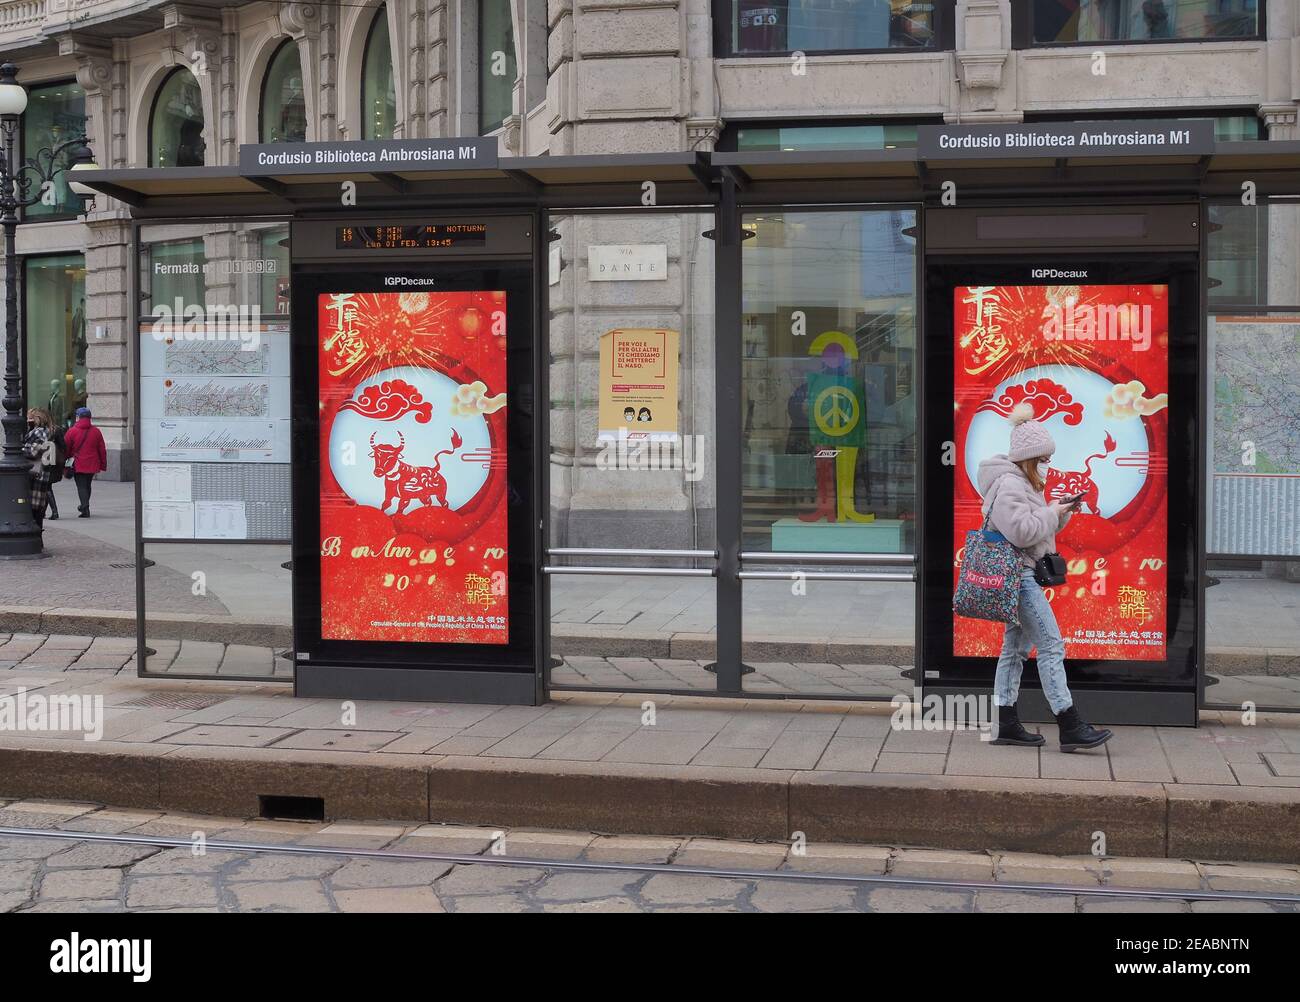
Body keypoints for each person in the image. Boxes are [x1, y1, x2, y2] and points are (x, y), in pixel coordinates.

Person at [979, 402, 1113, 753]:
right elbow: (1023, 533)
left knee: (1015, 650)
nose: (1047, 465)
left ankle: (1006, 723)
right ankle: (1069, 724)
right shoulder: (1010, 485)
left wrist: (1061, 512)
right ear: (1028, 458)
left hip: (1021, 574)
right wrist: (1053, 511)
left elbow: (1039, 531)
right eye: (1043, 458)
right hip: (1019, 577)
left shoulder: (1024, 483)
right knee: (1051, 645)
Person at [63, 406, 107, 518]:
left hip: (78, 463)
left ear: (78, 417)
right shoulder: (96, 431)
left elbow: (66, 449)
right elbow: (102, 450)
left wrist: (65, 462)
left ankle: (84, 507)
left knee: (81, 486)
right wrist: (103, 464)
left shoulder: (72, 431)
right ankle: (85, 506)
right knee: (87, 485)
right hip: (93, 463)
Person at [22, 409, 56, 529]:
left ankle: (35, 537)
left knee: (34, 507)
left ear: (36, 419)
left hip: (36, 473)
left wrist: (18, 448)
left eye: (29, 418)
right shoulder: (46, 431)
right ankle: (37, 536)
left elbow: (33, 451)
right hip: (42, 472)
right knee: (38, 507)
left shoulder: (39, 432)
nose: (27, 421)